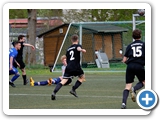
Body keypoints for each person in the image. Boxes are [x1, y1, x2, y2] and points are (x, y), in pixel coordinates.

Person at [51, 34, 86, 100]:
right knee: (82, 77)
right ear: (77, 40)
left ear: (71, 40)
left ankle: (54, 92)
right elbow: (78, 48)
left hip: (68, 67)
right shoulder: (78, 45)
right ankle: (73, 89)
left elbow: (67, 58)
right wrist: (81, 50)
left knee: (63, 81)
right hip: (76, 66)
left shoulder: (68, 49)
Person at [121, 29, 145, 109]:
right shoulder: (144, 45)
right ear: (140, 35)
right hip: (139, 66)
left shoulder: (129, 45)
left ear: (133, 37)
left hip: (130, 66)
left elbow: (124, 60)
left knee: (127, 86)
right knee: (144, 82)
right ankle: (134, 88)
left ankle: (123, 104)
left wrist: (128, 63)